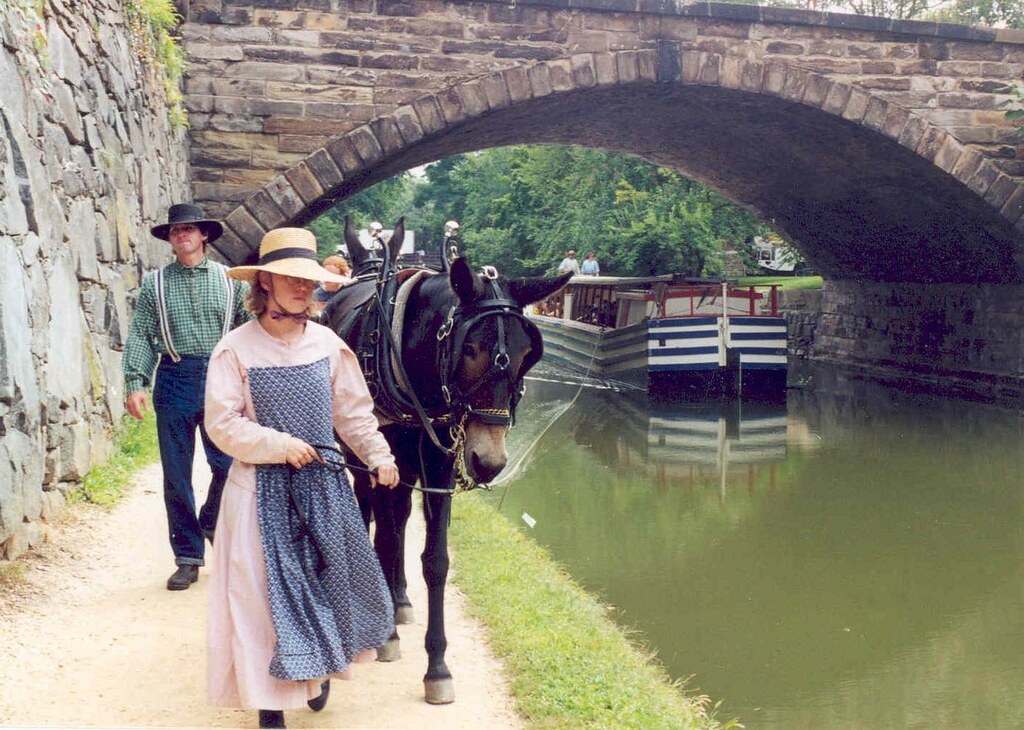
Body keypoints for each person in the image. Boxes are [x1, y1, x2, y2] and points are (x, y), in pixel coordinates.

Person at [203, 227, 400, 730]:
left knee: (326, 582)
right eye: (288, 277)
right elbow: (222, 424)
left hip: (325, 490)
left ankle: (319, 664)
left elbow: (353, 414)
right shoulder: (236, 348)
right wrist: (279, 445)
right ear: (264, 281)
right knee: (264, 599)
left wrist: (379, 456)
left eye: (306, 279)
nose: (299, 287)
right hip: (259, 494)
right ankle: (271, 704)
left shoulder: (328, 346)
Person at [122, 203, 251, 591]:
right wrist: (134, 383)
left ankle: (211, 519)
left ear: (204, 235)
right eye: (175, 231)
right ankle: (188, 556)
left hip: (221, 379)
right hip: (175, 377)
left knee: (228, 465)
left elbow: (248, 335)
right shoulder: (155, 284)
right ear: (170, 239)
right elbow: (142, 334)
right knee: (177, 474)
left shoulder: (233, 283)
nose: (182, 236)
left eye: (189, 229)